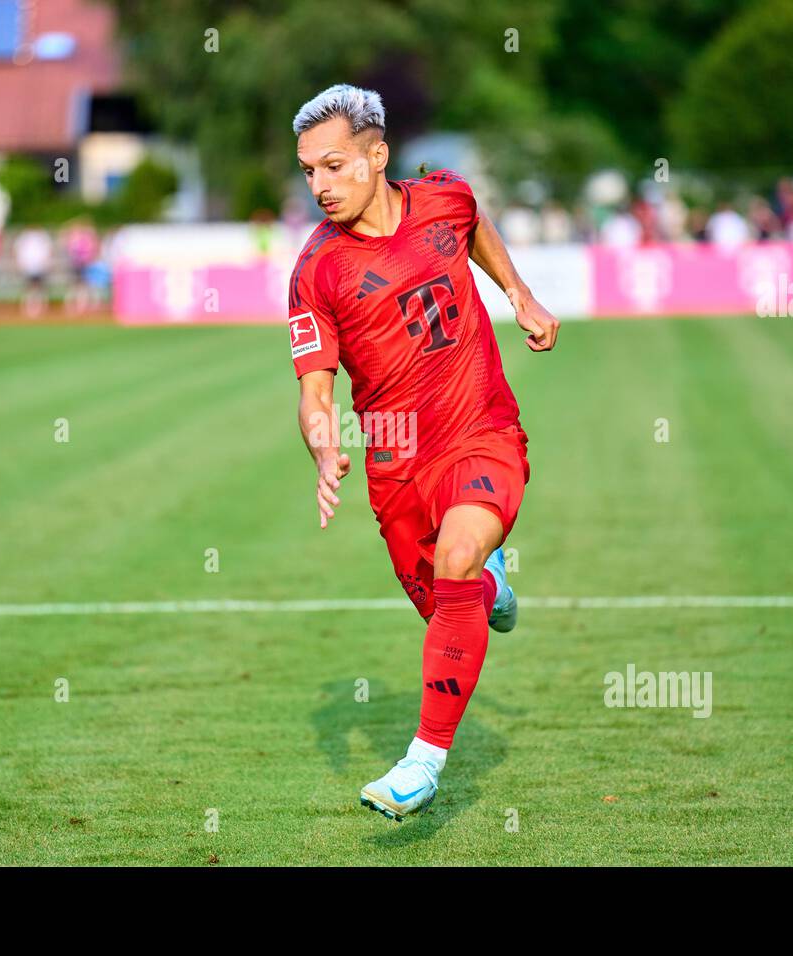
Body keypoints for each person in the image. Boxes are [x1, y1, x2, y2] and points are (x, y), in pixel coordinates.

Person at [288, 84, 559, 822]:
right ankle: (490, 585)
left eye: (334, 165)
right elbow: (316, 391)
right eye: (309, 170)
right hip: (395, 460)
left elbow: (474, 228)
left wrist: (519, 295)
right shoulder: (317, 271)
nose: (319, 184)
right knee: (450, 602)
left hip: (480, 427)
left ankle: (422, 763)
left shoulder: (446, 198)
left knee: (459, 558)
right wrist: (321, 445)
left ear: (378, 157)